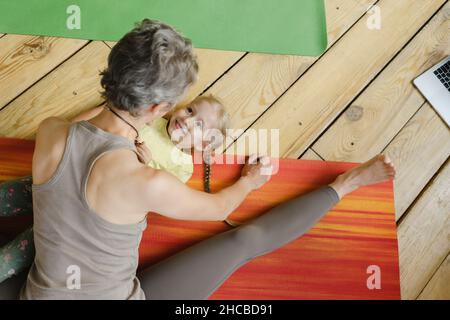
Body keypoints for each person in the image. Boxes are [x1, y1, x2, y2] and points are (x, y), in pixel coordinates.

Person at [0, 19, 396, 300]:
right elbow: (220, 207)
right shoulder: (149, 182)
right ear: (159, 107)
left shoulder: (51, 131)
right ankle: (347, 184)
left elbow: (88, 130)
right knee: (244, 241)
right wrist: (249, 182)